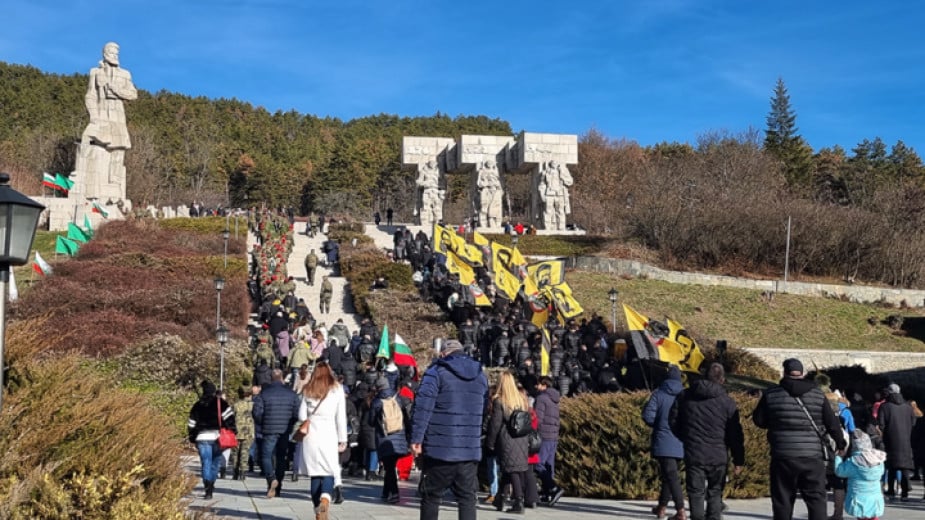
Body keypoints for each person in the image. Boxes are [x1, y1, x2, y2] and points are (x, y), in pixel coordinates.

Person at [753, 358, 848, 520]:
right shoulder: (817, 394)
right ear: (802, 374)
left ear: (784, 373)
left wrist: (776, 422)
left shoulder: (771, 394)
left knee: (783, 499)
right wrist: (840, 442)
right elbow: (832, 422)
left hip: (783, 454)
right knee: (816, 498)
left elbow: (759, 421)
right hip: (812, 455)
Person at [411, 339, 489, 520]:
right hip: (469, 450)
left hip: (440, 448)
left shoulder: (436, 372)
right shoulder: (480, 376)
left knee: (431, 496)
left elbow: (422, 408)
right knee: (467, 498)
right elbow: (483, 409)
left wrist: (416, 439)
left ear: (443, 354)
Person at [676, 362, 745, 520]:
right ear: (722, 380)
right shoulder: (727, 402)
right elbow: (734, 434)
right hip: (718, 454)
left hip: (694, 452)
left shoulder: (685, 396)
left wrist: (686, 438)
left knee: (695, 492)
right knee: (715, 492)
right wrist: (738, 459)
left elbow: (674, 421)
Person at [296, 361, 348, 520]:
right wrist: (342, 439)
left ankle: (317, 508)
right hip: (329, 433)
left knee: (315, 474)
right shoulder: (337, 389)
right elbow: (341, 416)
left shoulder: (307, 390)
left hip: (311, 434)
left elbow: (301, 416)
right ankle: (325, 498)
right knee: (329, 470)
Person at [642, 366, 686, 520]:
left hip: (663, 440)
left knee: (671, 476)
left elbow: (648, 416)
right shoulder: (685, 396)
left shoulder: (658, 394)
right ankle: (662, 507)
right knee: (669, 475)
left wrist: (659, 424)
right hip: (681, 441)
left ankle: (680, 511)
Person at [486, 371, 531, 514]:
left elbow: (495, 424)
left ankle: (518, 502)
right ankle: (501, 497)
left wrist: (490, 442)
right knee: (509, 469)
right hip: (522, 439)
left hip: (507, 439)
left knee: (512, 471)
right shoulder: (521, 398)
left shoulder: (500, 400)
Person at [252, 368, 300, 499]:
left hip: (269, 429)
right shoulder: (291, 394)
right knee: (281, 457)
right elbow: (297, 413)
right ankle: (278, 487)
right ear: (282, 378)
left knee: (266, 456)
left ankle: (271, 478)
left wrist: (263, 422)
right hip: (285, 430)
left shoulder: (264, 394)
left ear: (271, 378)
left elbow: (256, 413)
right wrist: (290, 424)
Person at [187, 380, 236, 499]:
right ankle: (212, 484)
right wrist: (232, 431)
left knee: (206, 463)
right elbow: (230, 419)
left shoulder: (197, 405)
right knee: (215, 463)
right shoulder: (221, 404)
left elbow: (191, 423)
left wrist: (192, 437)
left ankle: (207, 488)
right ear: (214, 391)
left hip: (202, 437)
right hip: (217, 438)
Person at [370, 376, 411, 503]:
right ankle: (385, 492)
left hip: (385, 438)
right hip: (399, 437)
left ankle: (394, 493)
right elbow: (406, 417)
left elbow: (371, 421)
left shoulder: (377, 402)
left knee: (389, 467)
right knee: (390, 466)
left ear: (378, 388)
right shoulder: (398, 398)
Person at [834, 430, 886, 520]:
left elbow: (839, 471)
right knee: (873, 516)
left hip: (858, 499)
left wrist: (839, 457)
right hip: (875, 499)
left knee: (862, 516)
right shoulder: (878, 460)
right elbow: (881, 472)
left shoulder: (854, 462)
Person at [878, 382, 916, 501]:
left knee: (891, 466)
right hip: (906, 439)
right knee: (904, 466)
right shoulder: (908, 407)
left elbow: (881, 424)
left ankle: (891, 491)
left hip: (890, 439)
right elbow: (913, 422)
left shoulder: (885, 406)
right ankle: (905, 492)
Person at [534, 376, 565, 505]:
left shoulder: (541, 398)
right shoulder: (555, 399)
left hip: (544, 435)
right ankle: (547, 493)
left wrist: (533, 431)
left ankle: (553, 488)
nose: (536, 387)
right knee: (548, 465)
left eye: (538, 384)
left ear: (543, 385)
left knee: (538, 464)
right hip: (553, 436)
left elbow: (538, 419)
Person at [231, 387, 256, 481]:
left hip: (236, 431)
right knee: (245, 452)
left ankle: (235, 472)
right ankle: (243, 472)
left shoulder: (235, 405)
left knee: (235, 453)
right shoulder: (252, 405)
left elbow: (230, 417)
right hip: (248, 431)